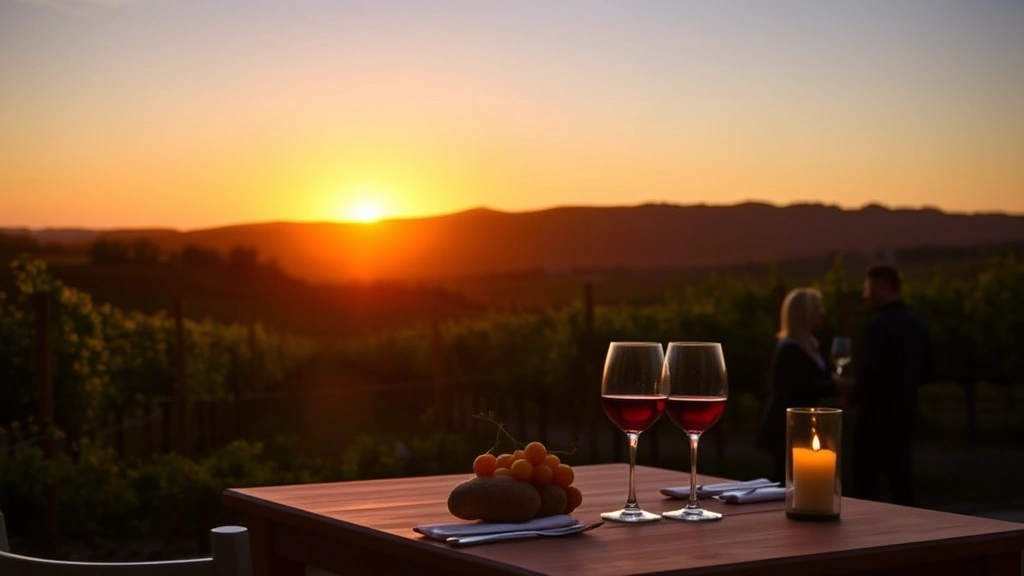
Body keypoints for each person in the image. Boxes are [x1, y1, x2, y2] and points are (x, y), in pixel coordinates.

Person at [852, 263, 931, 506]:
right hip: (904, 416)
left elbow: (870, 379)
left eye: (869, 289)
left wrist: (848, 389)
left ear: (883, 287)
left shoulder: (878, 327)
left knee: (867, 488)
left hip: (874, 420)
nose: (866, 295)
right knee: (902, 484)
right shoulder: (917, 325)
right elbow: (928, 373)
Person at [756, 288, 850, 482]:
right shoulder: (789, 349)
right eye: (817, 308)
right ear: (803, 313)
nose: (822, 312)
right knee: (786, 478)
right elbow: (800, 387)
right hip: (788, 425)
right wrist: (835, 385)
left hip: (805, 424)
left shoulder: (811, 344)